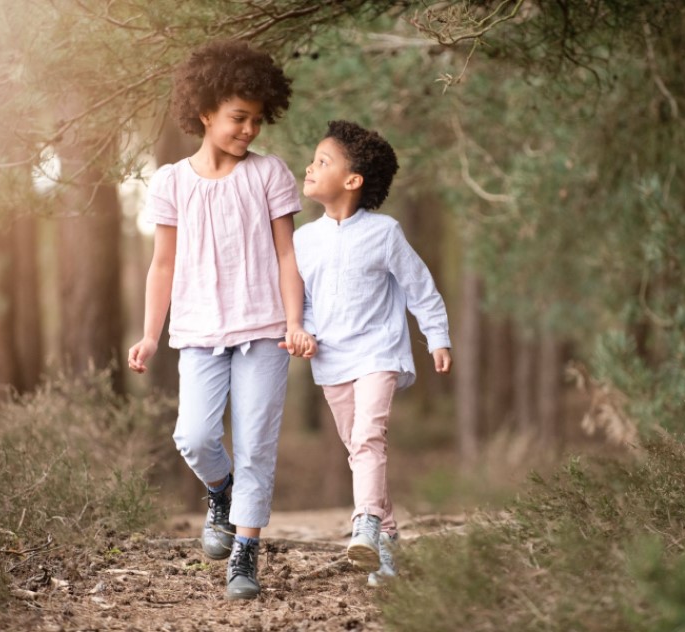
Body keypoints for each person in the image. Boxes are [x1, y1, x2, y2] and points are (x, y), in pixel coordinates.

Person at [128, 40, 316, 601]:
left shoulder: (269, 175)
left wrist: (293, 321)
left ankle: (245, 554)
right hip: (199, 332)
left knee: (256, 441)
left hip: (264, 330)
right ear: (206, 112)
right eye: (238, 118)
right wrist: (148, 334)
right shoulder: (171, 183)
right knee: (195, 435)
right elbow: (162, 264)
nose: (249, 130)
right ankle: (222, 491)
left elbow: (287, 255)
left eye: (257, 120)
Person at [292, 120, 452, 587]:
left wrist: (436, 336)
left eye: (323, 161)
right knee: (358, 448)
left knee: (368, 437)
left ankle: (365, 524)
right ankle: (387, 542)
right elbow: (302, 302)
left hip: (380, 352)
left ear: (352, 180)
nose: (310, 166)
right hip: (332, 360)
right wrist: (303, 331)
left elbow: (419, 287)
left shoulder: (384, 232)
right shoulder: (304, 240)